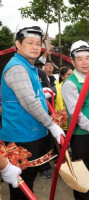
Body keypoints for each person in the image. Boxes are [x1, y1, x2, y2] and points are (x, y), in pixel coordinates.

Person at [0, 20, 65, 199]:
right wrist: (52, 125)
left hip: (32, 134)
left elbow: (31, 96)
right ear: (17, 44)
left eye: (38, 44)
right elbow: (29, 102)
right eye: (30, 43)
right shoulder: (17, 67)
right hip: (21, 139)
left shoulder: (29, 66)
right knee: (22, 191)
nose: (35, 47)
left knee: (29, 184)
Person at [61, 40, 89, 200]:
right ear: (72, 61)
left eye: (88, 57)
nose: (85, 62)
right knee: (82, 172)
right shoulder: (70, 84)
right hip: (80, 134)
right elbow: (76, 114)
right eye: (80, 59)